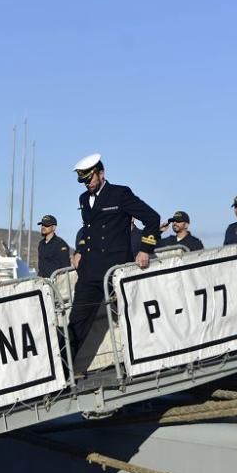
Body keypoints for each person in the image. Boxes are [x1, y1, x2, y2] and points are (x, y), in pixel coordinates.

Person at [69, 154, 161, 361]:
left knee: (133, 317)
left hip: (115, 270)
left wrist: (145, 248)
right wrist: (79, 250)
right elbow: (87, 229)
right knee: (76, 321)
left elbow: (152, 219)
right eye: (83, 181)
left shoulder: (120, 194)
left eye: (89, 179)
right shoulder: (84, 199)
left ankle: (152, 358)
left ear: (101, 173)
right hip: (90, 272)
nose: (87, 184)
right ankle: (64, 374)